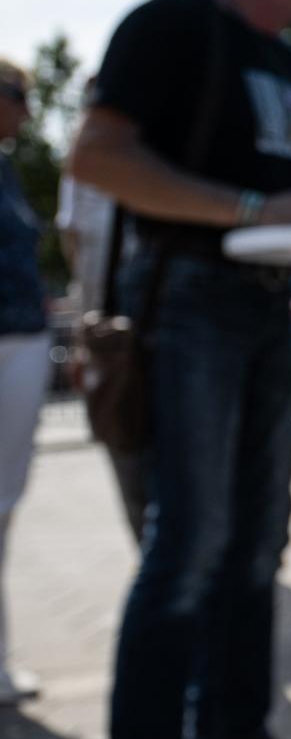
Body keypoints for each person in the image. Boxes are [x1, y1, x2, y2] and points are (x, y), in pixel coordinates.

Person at [69, 0, 291, 739]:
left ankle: (234, 734)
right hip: (187, 298)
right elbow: (96, 156)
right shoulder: (173, 25)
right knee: (189, 538)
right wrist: (252, 209)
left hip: (264, 305)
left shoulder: (284, 56)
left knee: (258, 535)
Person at [56, 106, 146, 542]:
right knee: (128, 463)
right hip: (111, 343)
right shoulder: (82, 175)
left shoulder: (165, 158)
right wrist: (80, 341)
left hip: (173, 337)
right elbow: (82, 264)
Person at [0, 57, 48, 708]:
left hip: (20, 342)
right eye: (15, 95)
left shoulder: (8, 170)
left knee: (4, 508)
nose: (25, 111)